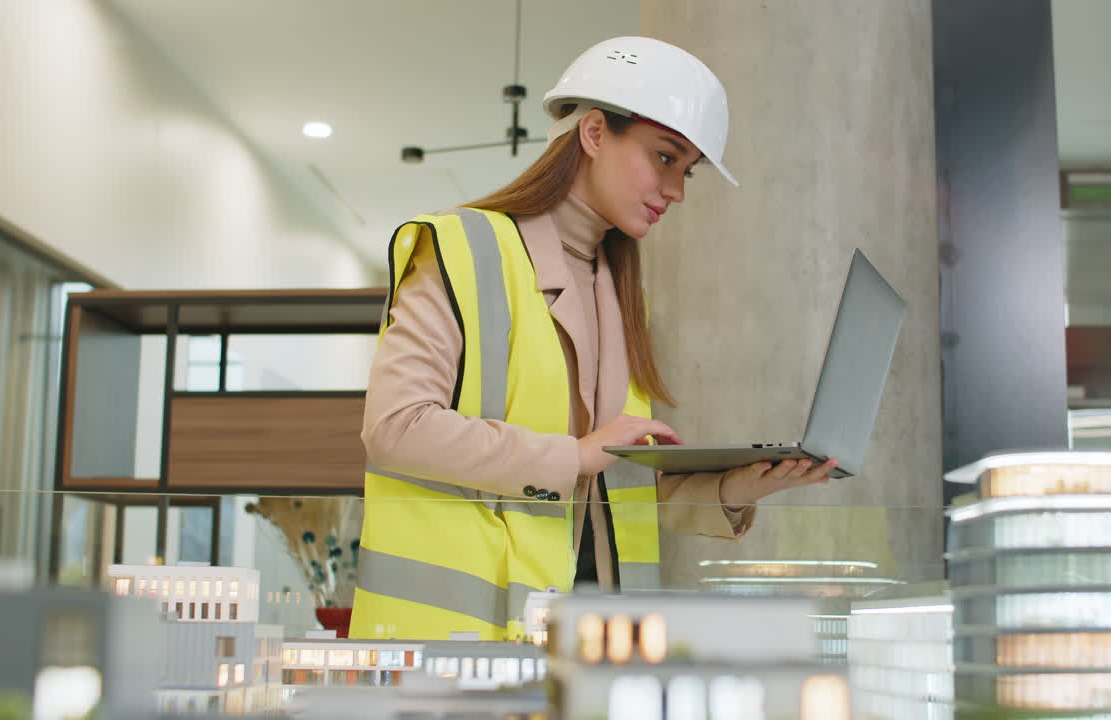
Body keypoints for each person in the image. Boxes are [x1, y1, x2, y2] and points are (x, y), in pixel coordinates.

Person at [349, 36, 835, 641]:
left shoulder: (620, 289)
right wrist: (574, 455)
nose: (677, 190)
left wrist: (738, 486)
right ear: (596, 134)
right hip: (450, 650)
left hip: (586, 645)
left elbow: (612, 489)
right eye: (664, 157)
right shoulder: (461, 248)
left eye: (687, 171)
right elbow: (396, 427)